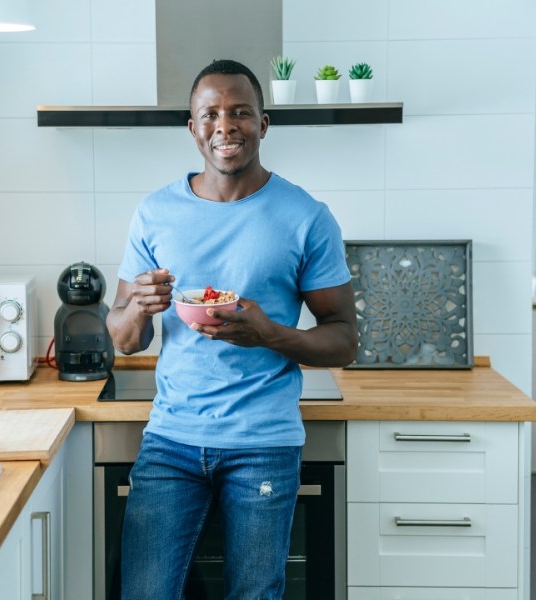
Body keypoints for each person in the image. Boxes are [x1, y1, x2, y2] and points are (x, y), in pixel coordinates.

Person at [107, 58, 358, 600]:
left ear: (263, 124)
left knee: (254, 594)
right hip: (171, 438)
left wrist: (267, 333)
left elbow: (344, 339)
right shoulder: (154, 213)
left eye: (241, 112)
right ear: (193, 127)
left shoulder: (306, 216)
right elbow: (125, 340)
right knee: (145, 593)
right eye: (211, 114)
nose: (226, 125)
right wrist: (138, 309)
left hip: (264, 442)